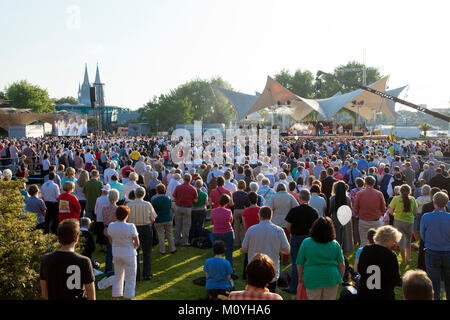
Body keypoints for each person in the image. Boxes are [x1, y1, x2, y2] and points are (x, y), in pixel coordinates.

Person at [40, 219, 96, 300]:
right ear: (76, 238)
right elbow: (91, 296)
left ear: (59, 237)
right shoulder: (84, 261)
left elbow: (44, 294)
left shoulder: (46, 259)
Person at [242, 206, 290, 293]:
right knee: (270, 295)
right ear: (271, 216)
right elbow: (286, 250)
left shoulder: (251, 230)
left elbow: (244, 249)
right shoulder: (279, 231)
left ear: (259, 216)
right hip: (271, 271)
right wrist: (276, 249)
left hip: (254, 271)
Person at [296, 217, 345, 300]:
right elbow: (341, 264)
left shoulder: (306, 242)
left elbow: (299, 263)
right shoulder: (335, 244)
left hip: (312, 278)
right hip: (331, 278)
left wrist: (300, 277)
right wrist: (340, 278)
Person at [284, 189, 319, 294]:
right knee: (308, 262)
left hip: (296, 238)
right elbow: (315, 227)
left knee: (296, 263)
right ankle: (308, 285)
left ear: (299, 198)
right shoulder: (314, 212)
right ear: (309, 198)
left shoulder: (294, 210)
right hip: (308, 239)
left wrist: (293, 233)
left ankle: (294, 287)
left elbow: (288, 226)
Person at [357, 225, 402, 300]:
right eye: (393, 241)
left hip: (364, 292)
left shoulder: (366, 249)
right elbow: (395, 278)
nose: (394, 244)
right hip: (383, 294)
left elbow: (360, 269)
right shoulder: (390, 255)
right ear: (387, 239)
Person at [420, 191, 450, 300]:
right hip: (447, 252)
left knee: (434, 282)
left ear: (434, 202)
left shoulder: (426, 217)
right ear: (446, 203)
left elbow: (422, 235)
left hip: (432, 252)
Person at [107, 206, 140, 300]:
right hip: (129, 253)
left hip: (117, 253)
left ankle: (115, 296)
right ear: (127, 215)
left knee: (118, 276)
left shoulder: (111, 225)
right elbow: (137, 242)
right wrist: (132, 248)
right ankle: (128, 297)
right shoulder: (130, 226)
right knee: (130, 278)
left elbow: (111, 241)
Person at [127, 187, 157, 281]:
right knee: (146, 252)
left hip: (134, 228)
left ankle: (136, 275)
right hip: (145, 228)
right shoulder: (147, 204)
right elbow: (153, 219)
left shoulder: (129, 204)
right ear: (143, 195)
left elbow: (126, 219)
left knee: (135, 252)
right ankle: (146, 274)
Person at [266, 183, 298, 265]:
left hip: (275, 221)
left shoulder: (274, 197)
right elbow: (296, 207)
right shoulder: (290, 196)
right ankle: (285, 259)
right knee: (286, 241)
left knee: (276, 241)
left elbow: (269, 208)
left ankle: (278, 257)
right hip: (287, 222)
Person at [388, 184, 418, 263]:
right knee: (408, 240)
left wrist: (395, 215)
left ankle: (404, 260)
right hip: (409, 222)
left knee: (401, 241)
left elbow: (390, 211)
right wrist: (412, 216)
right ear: (409, 191)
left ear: (400, 191)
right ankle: (408, 258)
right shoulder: (413, 199)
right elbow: (415, 212)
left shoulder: (396, 199)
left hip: (398, 221)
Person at [354, 176, 386, 247]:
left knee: (363, 242)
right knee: (376, 242)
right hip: (375, 221)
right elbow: (383, 208)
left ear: (365, 183)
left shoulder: (360, 193)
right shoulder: (379, 194)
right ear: (374, 183)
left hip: (363, 220)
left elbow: (355, 208)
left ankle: (364, 256)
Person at [210, 194, 235, 271]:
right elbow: (231, 221)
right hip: (228, 233)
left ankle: (214, 268)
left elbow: (212, 222)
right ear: (227, 203)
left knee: (216, 252)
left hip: (217, 233)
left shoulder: (213, 211)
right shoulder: (228, 211)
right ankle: (229, 270)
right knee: (229, 253)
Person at [172, 173, 198, 246]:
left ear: (183, 179)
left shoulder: (178, 187)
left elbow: (174, 197)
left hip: (179, 207)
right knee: (186, 226)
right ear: (190, 180)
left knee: (178, 225)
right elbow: (196, 200)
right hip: (187, 208)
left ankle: (176, 241)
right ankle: (184, 242)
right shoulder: (193, 188)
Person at [329, 181, 354, 254]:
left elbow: (330, 209)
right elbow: (350, 208)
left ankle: (336, 251)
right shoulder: (347, 199)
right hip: (345, 219)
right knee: (346, 236)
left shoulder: (333, 198)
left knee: (337, 235)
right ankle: (344, 253)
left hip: (336, 219)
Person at [152, 184, 176, 255]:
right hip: (168, 218)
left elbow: (153, 211)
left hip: (159, 219)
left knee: (160, 235)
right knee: (170, 234)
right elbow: (171, 208)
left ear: (157, 191)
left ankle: (162, 250)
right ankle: (172, 249)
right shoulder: (168, 198)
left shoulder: (154, 200)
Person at [102, 189, 119, 277]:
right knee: (115, 250)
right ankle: (115, 268)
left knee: (109, 251)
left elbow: (104, 220)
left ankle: (108, 268)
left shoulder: (104, 208)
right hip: (115, 230)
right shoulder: (118, 209)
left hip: (107, 229)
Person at [189, 179, 208, 244]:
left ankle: (190, 239)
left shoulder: (191, 193)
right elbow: (206, 203)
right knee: (200, 225)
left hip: (193, 210)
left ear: (195, 185)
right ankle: (200, 240)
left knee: (192, 225)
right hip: (201, 210)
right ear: (201, 185)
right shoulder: (204, 194)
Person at [232, 180, 250, 247]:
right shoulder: (246, 194)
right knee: (243, 227)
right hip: (243, 210)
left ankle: (236, 243)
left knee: (236, 227)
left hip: (236, 210)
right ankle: (242, 242)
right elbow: (247, 204)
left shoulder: (234, 194)